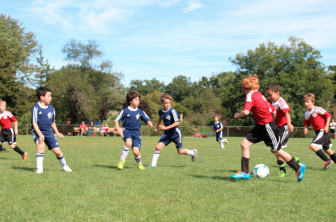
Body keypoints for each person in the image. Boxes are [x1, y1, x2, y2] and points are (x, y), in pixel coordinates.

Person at [230, 74, 305, 182]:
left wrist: (237, 115)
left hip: (267, 126)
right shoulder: (260, 95)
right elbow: (273, 110)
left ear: (245, 89)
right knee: (244, 144)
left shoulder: (250, 95)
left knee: (276, 150)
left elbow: (246, 112)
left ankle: (297, 167)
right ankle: (245, 172)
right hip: (261, 126)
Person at [148, 93, 197, 168]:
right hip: (167, 134)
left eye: (169, 103)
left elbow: (177, 122)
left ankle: (192, 152)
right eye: (166, 103)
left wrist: (166, 127)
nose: (168, 104)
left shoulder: (172, 111)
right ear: (162, 103)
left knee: (180, 152)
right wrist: (156, 127)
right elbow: (160, 119)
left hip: (176, 133)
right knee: (158, 147)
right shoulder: (160, 112)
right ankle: (153, 164)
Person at [31, 87, 72, 174]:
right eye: (49, 96)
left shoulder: (51, 109)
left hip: (49, 132)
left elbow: (52, 122)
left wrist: (57, 132)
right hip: (38, 132)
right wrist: (40, 135)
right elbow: (34, 123)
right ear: (42, 97)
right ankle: (39, 169)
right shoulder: (36, 108)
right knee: (41, 146)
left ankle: (64, 165)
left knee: (57, 151)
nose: (51, 98)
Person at [266, 83, 299, 177]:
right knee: (275, 149)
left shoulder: (281, 102)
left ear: (277, 93)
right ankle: (284, 170)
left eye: (270, 95)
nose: (269, 97)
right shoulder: (273, 102)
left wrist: (289, 124)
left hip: (283, 128)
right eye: (268, 96)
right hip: (276, 128)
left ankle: (291, 162)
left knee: (276, 149)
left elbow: (287, 113)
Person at [115, 90, 153, 170]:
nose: (138, 101)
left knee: (136, 151)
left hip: (136, 133)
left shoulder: (140, 112)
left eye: (138, 100)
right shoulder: (125, 111)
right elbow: (116, 120)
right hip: (127, 130)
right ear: (130, 101)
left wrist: (149, 122)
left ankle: (139, 164)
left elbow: (147, 119)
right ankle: (121, 161)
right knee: (128, 143)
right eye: (136, 100)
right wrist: (118, 129)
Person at [303, 93, 336, 169]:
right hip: (317, 131)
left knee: (312, 145)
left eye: (308, 102)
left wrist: (327, 126)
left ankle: (327, 160)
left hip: (322, 130)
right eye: (305, 102)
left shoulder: (317, 109)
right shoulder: (306, 112)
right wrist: (306, 128)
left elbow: (328, 115)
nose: (306, 103)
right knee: (327, 149)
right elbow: (306, 121)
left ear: (313, 102)